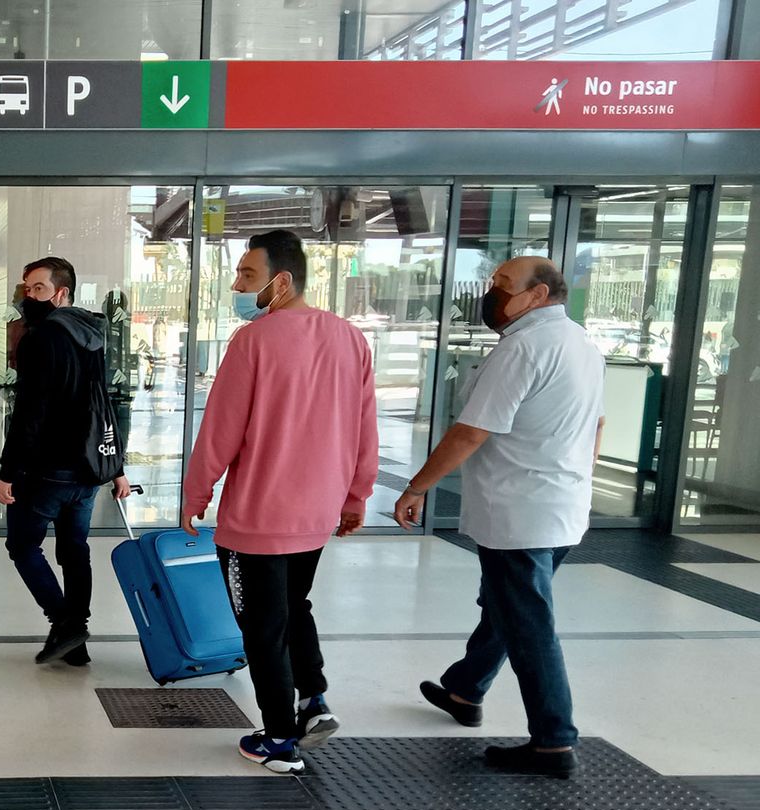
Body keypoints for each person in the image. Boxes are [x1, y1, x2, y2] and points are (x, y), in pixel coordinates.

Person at [395, 256, 604, 780]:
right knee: (507, 605)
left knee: (529, 622)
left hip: (521, 510)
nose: (492, 292)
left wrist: (417, 486)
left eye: (504, 284)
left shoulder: (523, 348)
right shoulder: (581, 343)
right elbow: (597, 424)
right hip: (560, 504)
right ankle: (465, 689)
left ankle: (554, 741)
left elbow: (472, 431)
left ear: (537, 295)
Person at [182, 230, 378, 774]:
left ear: (282, 281)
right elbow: (366, 428)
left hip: (258, 518)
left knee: (262, 626)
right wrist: (356, 496)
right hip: (316, 514)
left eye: (248, 275)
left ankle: (278, 740)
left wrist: (196, 493)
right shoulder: (350, 338)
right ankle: (313, 699)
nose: (237, 286)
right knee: (294, 605)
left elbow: (221, 430)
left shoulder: (253, 341)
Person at [0, 256, 132, 668]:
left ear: (61, 293)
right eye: (26, 288)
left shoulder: (40, 338)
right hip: (87, 470)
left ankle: (65, 623)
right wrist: (115, 465)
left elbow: (30, 412)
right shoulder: (92, 333)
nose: (29, 296)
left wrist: (7, 472)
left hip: (48, 471)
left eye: (38, 288)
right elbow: (102, 404)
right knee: (74, 550)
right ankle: (77, 642)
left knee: (23, 546)